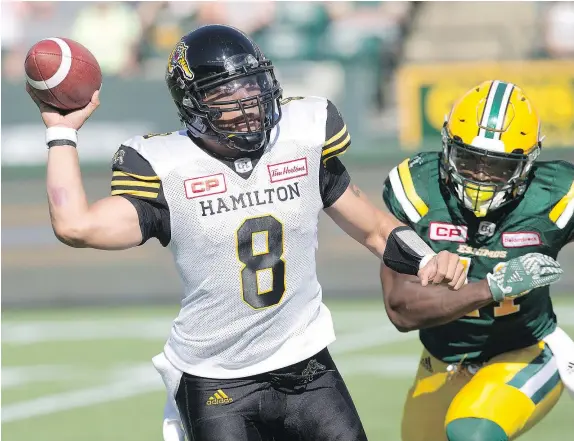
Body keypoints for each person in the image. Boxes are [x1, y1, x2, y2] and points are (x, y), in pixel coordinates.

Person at [28, 25, 468, 441]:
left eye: (253, 85)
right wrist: (62, 131)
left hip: (306, 365)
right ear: (193, 104)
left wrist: (427, 257)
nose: (248, 102)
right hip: (215, 377)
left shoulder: (300, 137)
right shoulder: (166, 166)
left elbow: (374, 228)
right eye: (226, 93)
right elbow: (75, 226)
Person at [380, 80, 572, 441]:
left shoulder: (554, 194)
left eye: (499, 166)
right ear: (447, 146)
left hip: (525, 353)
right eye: (468, 160)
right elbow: (401, 310)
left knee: (472, 433)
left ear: (528, 162)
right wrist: (491, 288)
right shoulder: (419, 191)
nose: (481, 176)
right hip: (440, 362)